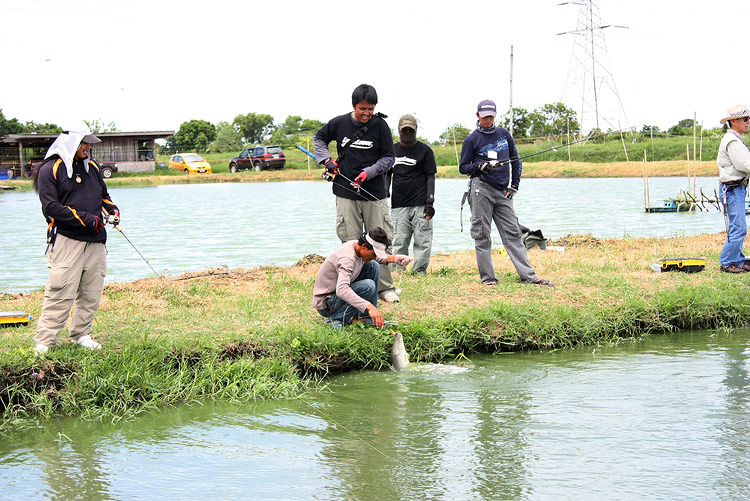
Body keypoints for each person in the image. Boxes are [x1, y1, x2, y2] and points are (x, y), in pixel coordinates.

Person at [32, 123, 120, 355]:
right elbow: (51, 207)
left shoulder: (92, 167)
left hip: (96, 241)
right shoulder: (50, 169)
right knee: (60, 289)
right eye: (84, 143)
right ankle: (45, 341)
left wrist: (112, 211)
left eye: (89, 143)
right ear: (71, 143)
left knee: (92, 291)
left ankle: (81, 334)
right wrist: (87, 219)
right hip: (67, 240)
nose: (88, 147)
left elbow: (104, 196)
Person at [313, 84, 401, 302]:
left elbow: (389, 158)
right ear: (354, 106)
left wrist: (369, 173)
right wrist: (327, 160)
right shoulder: (339, 123)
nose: (367, 113)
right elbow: (319, 139)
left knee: (380, 240)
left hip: (374, 193)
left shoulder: (380, 126)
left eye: (371, 109)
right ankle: (353, 288)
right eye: (363, 109)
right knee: (351, 241)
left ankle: (385, 288)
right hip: (345, 193)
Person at [459, 99, 553, 286]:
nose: (488, 120)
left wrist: (514, 186)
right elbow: (463, 167)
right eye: (485, 117)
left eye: (491, 116)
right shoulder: (471, 139)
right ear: (478, 116)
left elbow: (516, 161)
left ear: (495, 115)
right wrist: (480, 166)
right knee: (482, 234)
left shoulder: (504, 135)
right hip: (481, 190)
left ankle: (529, 276)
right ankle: (488, 279)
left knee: (513, 234)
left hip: (504, 191)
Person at [313, 228, 411, 328]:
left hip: (335, 297)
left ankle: (365, 318)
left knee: (373, 265)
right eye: (373, 254)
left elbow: (376, 257)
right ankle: (335, 319)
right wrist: (369, 307)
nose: (374, 257)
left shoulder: (357, 245)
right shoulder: (347, 259)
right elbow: (341, 290)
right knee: (368, 286)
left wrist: (395, 258)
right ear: (364, 246)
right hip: (326, 303)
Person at [387, 114, 437, 274]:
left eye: (410, 130)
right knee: (399, 240)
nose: (407, 133)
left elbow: (430, 176)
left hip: (421, 203)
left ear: (416, 131)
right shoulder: (391, 150)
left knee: (423, 241)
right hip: (398, 204)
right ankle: (397, 271)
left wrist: (430, 202)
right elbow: (387, 174)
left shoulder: (425, 151)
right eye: (404, 130)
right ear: (399, 130)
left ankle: (419, 271)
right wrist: (384, 191)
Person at [717, 104, 750, 273]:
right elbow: (744, 164)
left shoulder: (735, 139)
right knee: (739, 226)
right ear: (734, 121)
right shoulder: (732, 141)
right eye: (745, 119)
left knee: (738, 225)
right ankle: (728, 261)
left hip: (736, 188)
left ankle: (737, 260)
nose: (748, 122)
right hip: (733, 189)